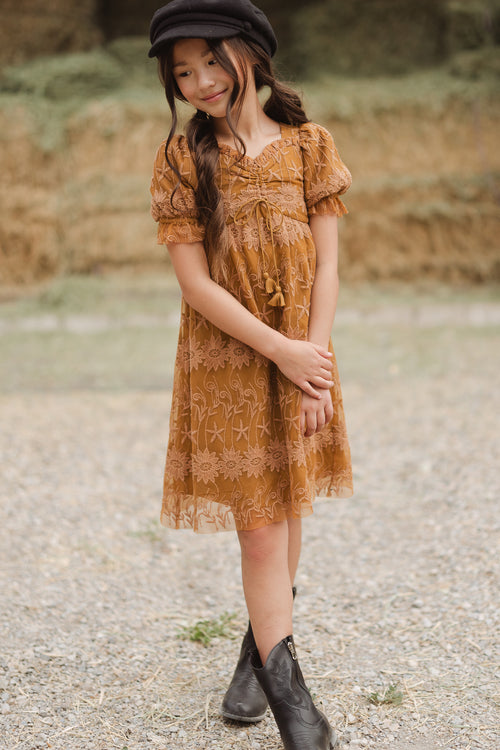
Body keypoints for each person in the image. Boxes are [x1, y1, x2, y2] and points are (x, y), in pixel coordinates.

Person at [148, 1, 353, 747]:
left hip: (304, 358)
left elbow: (329, 265)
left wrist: (314, 366)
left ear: (251, 54)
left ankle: (259, 652)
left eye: (211, 60)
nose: (201, 80)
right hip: (230, 362)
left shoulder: (308, 146)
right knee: (261, 533)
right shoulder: (181, 159)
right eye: (183, 72)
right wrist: (280, 351)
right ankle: (296, 705)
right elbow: (197, 286)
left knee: (290, 502)